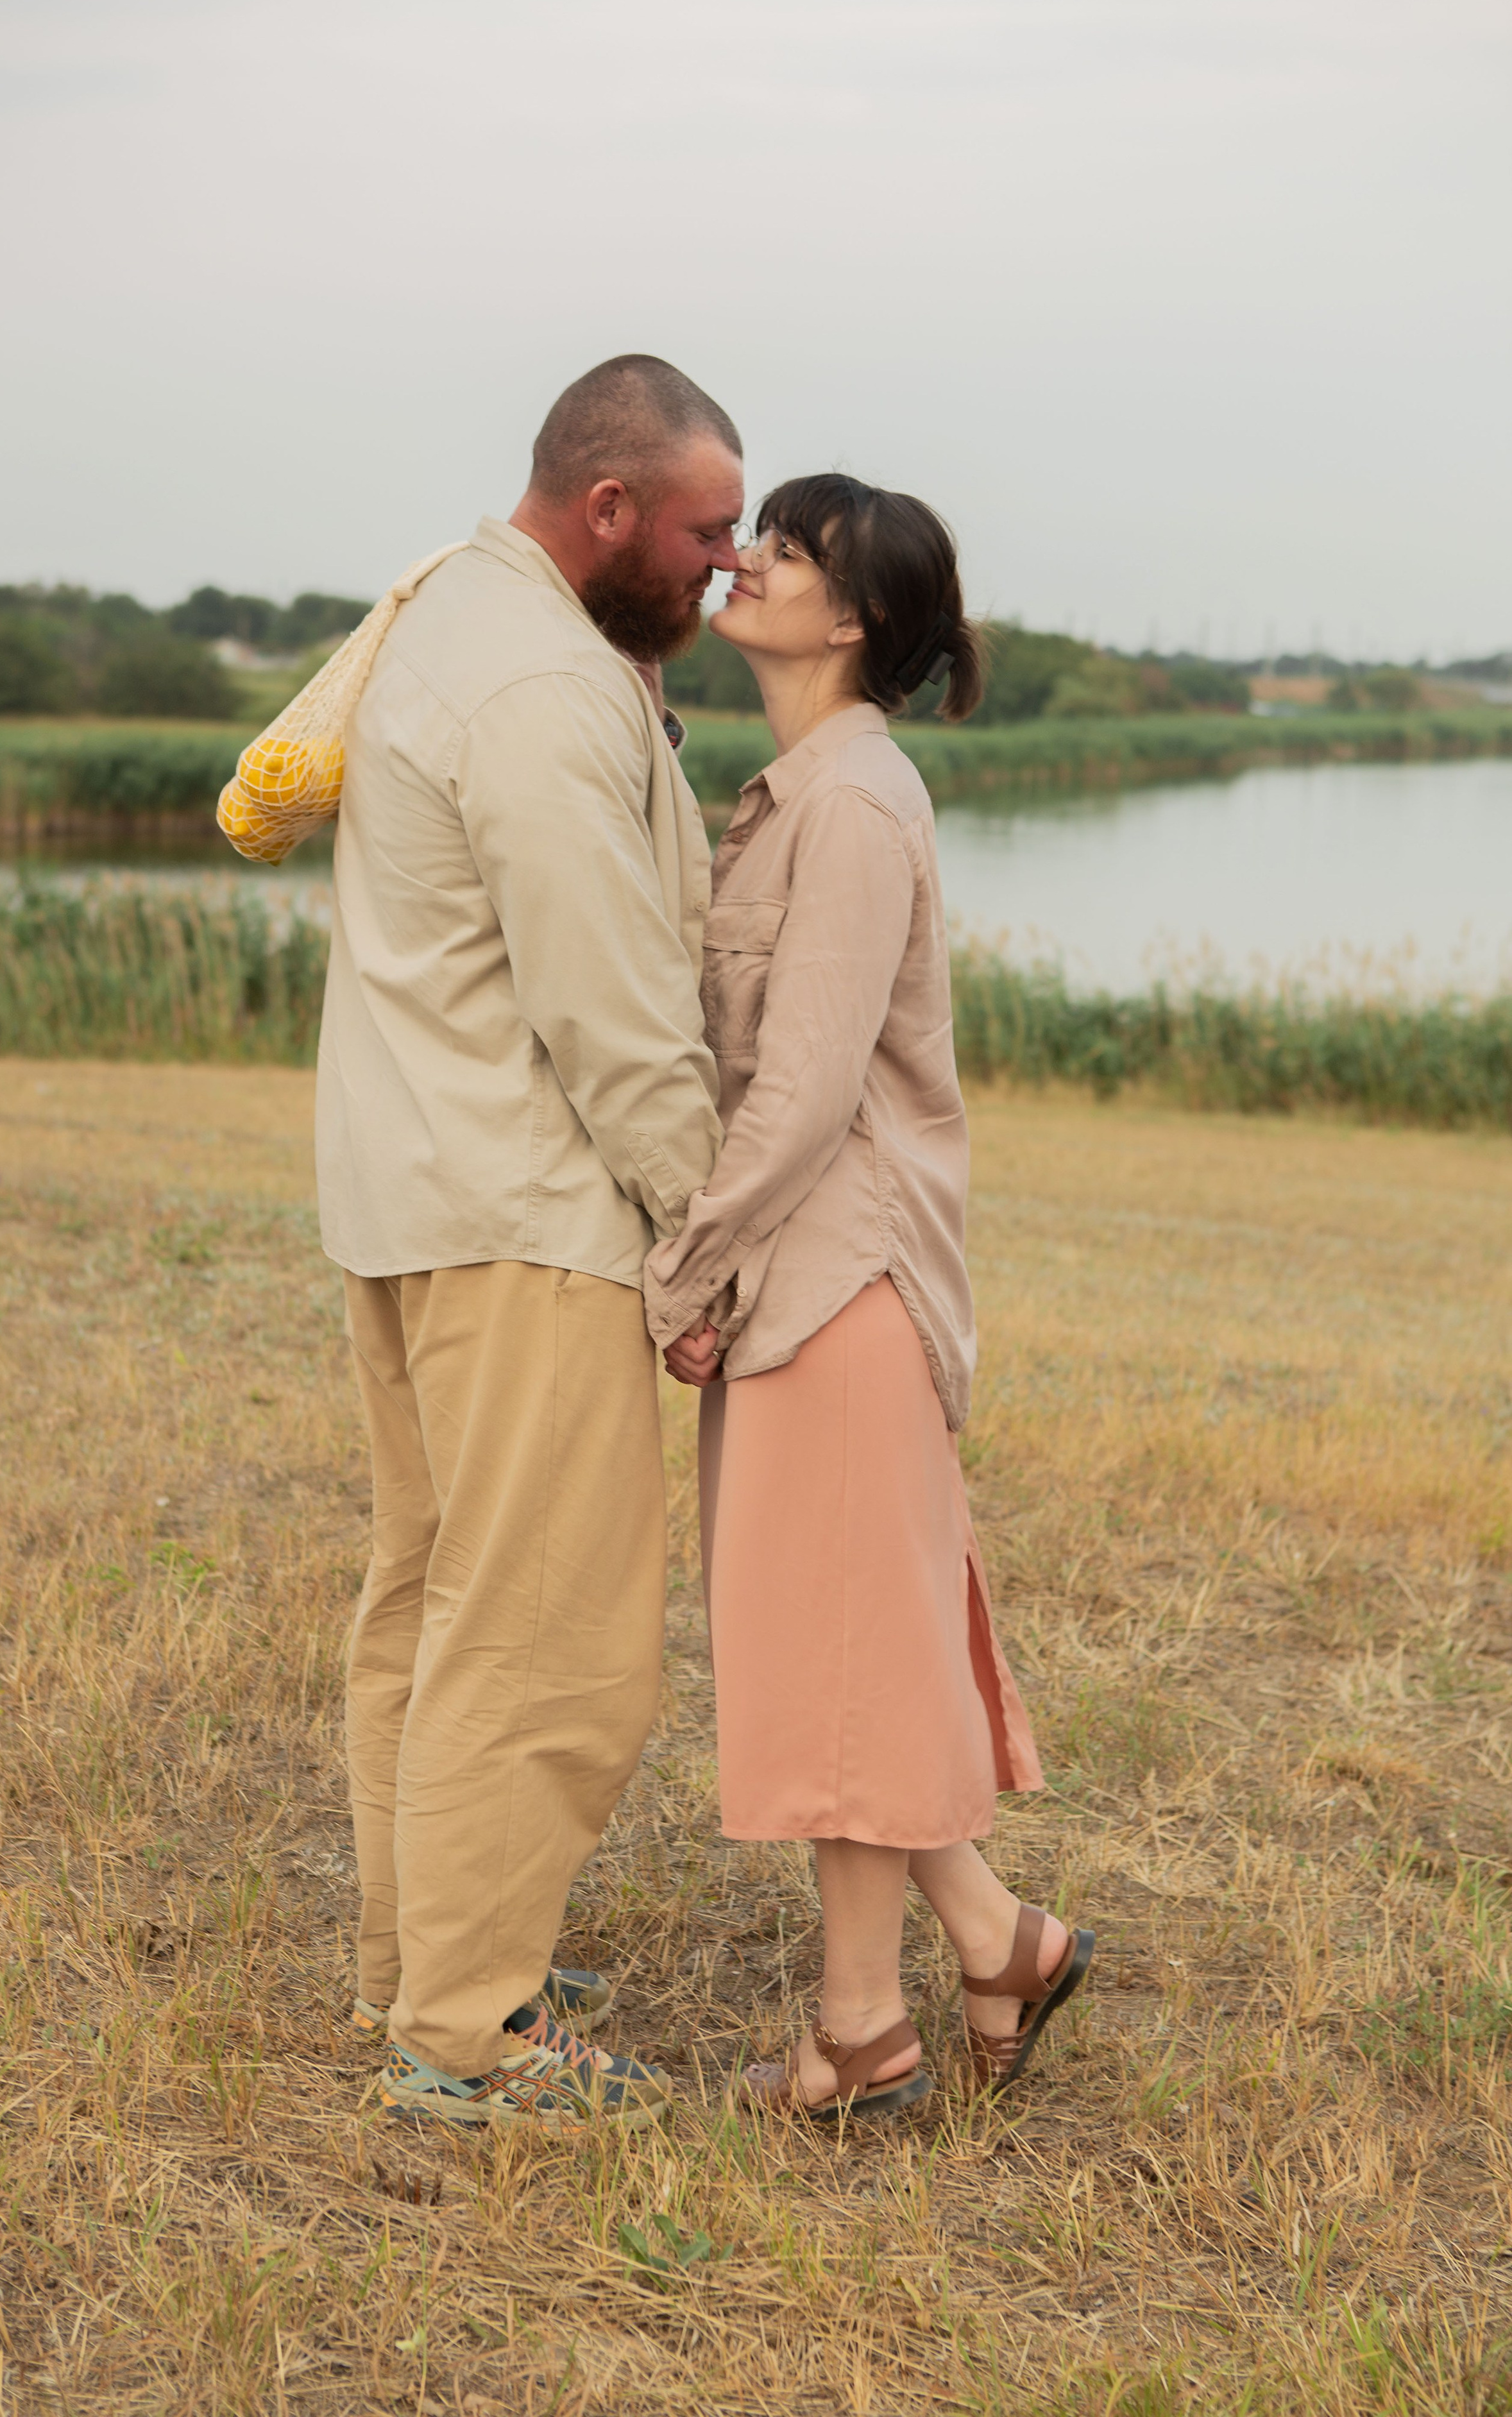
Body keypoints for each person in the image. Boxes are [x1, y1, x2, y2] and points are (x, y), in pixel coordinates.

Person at [317, 356, 743, 2128]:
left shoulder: (461, 616)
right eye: (710, 531)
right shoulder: (542, 687)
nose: (728, 566)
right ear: (611, 509)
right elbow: (614, 1004)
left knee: (430, 1598)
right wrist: (707, 1231)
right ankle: (469, 2028)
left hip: (415, 1195)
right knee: (547, 1632)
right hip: (522, 1211)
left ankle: (421, 1958)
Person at [645, 475, 1095, 2117]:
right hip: (820, 1278)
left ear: (849, 621)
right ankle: (971, 1954)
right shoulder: (806, 787)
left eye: (786, 548)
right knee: (849, 1648)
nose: (743, 558)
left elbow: (805, 1090)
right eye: (752, 530)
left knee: (837, 1651)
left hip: (832, 1278)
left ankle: (876, 2021)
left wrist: (682, 1268)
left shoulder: (845, 804)